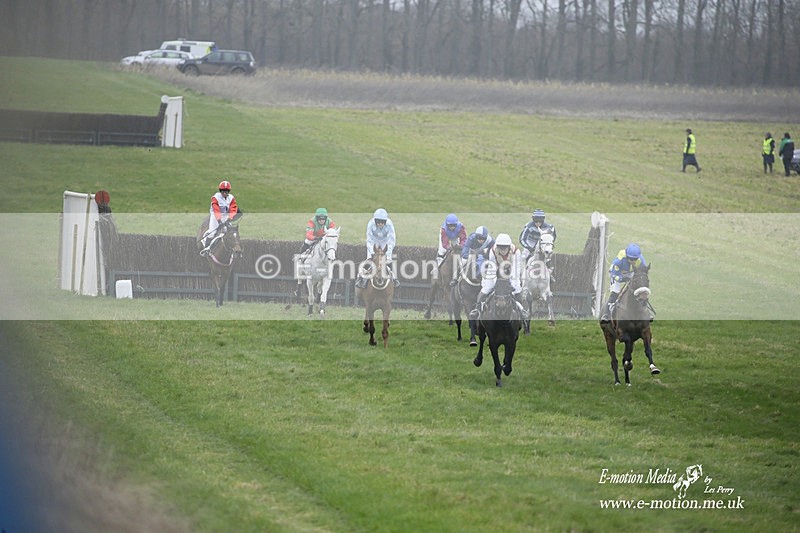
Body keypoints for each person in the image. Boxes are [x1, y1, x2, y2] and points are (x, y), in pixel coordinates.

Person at [469, 233, 528, 320]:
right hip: (494, 271)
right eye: (500, 247)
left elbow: (516, 269)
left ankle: (522, 311)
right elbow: (492, 268)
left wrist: (513, 284)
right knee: (487, 288)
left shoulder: (516, 252)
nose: (503, 250)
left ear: (509, 247)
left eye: (505, 247)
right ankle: (477, 309)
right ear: (497, 246)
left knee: (517, 289)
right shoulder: (492, 251)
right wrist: (496, 284)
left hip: (511, 271)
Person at [600, 243, 647, 322]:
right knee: (615, 292)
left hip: (631, 273)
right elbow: (613, 274)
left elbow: (643, 272)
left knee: (640, 289)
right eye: (631, 259)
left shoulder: (641, 259)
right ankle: (606, 314)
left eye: (635, 259)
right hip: (617, 273)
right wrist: (623, 279)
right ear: (627, 256)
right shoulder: (619, 260)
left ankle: (644, 312)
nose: (633, 261)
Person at [356, 208, 399, 288]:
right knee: (369, 259)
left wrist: (388, 255)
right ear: (375, 221)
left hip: (385, 241)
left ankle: (395, 279)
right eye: (378, 222)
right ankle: (360, 279)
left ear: (385, 221)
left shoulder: (389, 225)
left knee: (389, 261)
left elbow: (391, 241)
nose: (380, 224)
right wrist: (372, 253)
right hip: (374, 241)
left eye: (382, 222)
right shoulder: (370, 224)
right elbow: (369, 240)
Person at [200, 180, 238, 256]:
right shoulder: (216, 197)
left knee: (231, 233)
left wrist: (229, 218)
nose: (225, 193)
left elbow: (233, 208)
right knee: (213, 232)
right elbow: (216, 209)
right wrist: (219, 221)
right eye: (223, 191)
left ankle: (234, 250)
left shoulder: (231, 198)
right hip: (215, 216)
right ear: (220, 191)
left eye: (226, 191)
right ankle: (207, 249)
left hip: (225, 217)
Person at [519, 209, 557, 277]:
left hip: (542, 244)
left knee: (548, 258)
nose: (538, 223)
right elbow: (522, 239)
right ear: (533, 220)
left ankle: (549, 274)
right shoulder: (529, 226)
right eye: (536, 221)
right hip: (530, 243)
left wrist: (547, 245)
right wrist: (529, 248)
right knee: (523, 257)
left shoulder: (549, 227)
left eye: (540, 221)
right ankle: (521, 275)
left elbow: (553, 237)